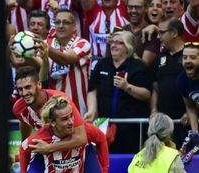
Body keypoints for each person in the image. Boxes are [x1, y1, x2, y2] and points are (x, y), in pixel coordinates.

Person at [85, 31, 152, 153]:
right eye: (112, 42)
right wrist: (92, 110)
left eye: (119, 43)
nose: (113, 45)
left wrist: (127, 87)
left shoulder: (138, 66)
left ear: (128, 47)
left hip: (131, 127)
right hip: (104, 124)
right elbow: (92, 90)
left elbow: (147, 95)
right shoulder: (102, 64)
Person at [12, 66, 87, 150]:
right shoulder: (18, 108)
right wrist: (24, 147)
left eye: (28, 87)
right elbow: (24, 124)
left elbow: (81, 138)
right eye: (20, 89)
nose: (24, 93)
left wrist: (49, 148)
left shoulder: (60, 99)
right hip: (48, 147)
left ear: (39, 84)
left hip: (74, 145)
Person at [19, 95, 86, 173]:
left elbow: (100, 138)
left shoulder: (81, 129)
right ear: (52, 122)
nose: (71, 122)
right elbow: (23, 148)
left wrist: (104, 170)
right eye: (64, 119)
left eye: (71, 116)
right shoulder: (41, 137)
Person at [45, 9, 92, 115]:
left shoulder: (82, 43)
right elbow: (39, 66)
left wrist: (45, 48)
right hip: (54, 111)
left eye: (65, 22)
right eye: (57, 22)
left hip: (78, 110)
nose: (61, 26)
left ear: (74, 27)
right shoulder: (48, 43)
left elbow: (65, 59)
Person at [151, 18, 188, 147]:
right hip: (164, 126)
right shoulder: (159, 58)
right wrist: (154, 110)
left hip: (186, 122)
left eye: (162, 32)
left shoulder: (191, 55)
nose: (158, 36)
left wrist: (193, 112)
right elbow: (155, 88)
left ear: (173, 33)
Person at [123, 0, 160, 66]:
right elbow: (109, 60)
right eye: (130, 7)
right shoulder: (121, 30)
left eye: (137, 7)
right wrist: (109, 46)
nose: (133, 11)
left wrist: (128, 49)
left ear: (146, 9)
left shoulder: (151, 33)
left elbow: (143, 66)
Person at [177, 41, 199, 132]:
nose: (188, 61)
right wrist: (195, 134)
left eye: (193, 57)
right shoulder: (182, 81)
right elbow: (190, 107)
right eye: (185, 57)